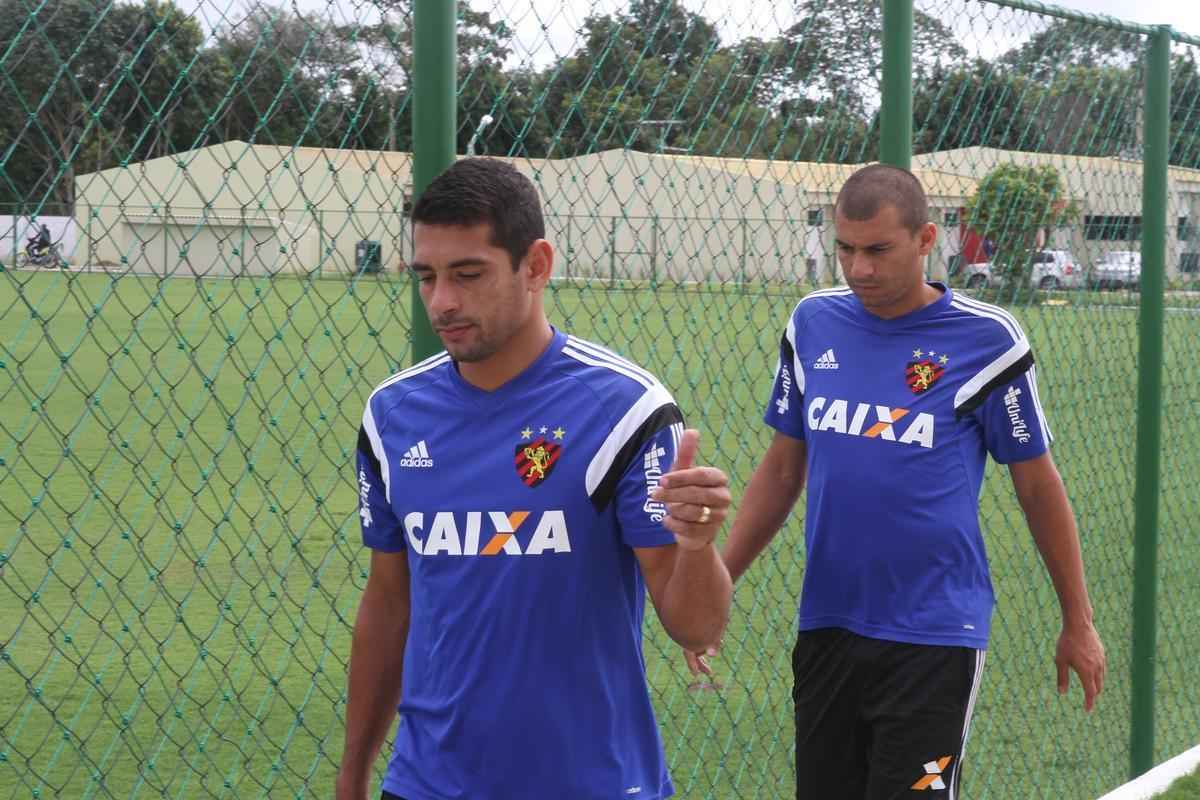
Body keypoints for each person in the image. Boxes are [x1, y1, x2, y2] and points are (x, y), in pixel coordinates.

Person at [687, 164, 1106, 799]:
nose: (859, 270)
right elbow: (781, 468)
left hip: (934, 635)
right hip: (828, 624)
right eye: (846, 250)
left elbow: (1037, 486)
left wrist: (1077, 619)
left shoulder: (988, 341)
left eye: (878, 250)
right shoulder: (813, 324)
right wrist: (718, 586)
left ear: (925, 238)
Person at [337, 157, 733, 800]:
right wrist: (354, 773)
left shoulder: (626, 409)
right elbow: (389, 599)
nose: (442, 302)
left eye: (468, 275)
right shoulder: (391, 415)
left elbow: (697, 627)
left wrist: (697, 545)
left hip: (594, 783)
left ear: (537, 265)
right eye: (427, 277)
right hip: (426, 785)